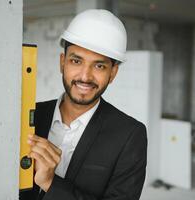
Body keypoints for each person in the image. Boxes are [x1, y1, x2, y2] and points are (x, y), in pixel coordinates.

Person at [20, 9, 147, 200]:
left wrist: (50, 183)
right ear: (62, 63)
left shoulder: (130, 135)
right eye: (76, 61)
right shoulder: (29, 115)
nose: (85, 76)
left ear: (113, 73)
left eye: (99, 66)